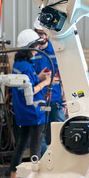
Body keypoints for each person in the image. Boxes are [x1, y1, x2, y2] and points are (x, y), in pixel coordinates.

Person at [9, 29, 53, 178]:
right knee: (36, 148)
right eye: (35, 46)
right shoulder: (27, 67)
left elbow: (28, 82)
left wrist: (40, 76)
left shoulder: (19, 64)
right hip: (35, 113)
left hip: (24, 114)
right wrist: (45, 83)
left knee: (21, 145)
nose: (38, 49)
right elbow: (32, 90)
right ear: (28, 48)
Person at [32, 18, 66, 156]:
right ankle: (46, 165)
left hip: (56, 101)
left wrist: (65, 100)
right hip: (39, 102)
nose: (43, 37)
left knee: (62, 134)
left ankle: (61, 165)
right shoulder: (32, 52)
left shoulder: (57, 50)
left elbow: (65, 76)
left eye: (45, 33)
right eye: (40, 33)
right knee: (41, 137)